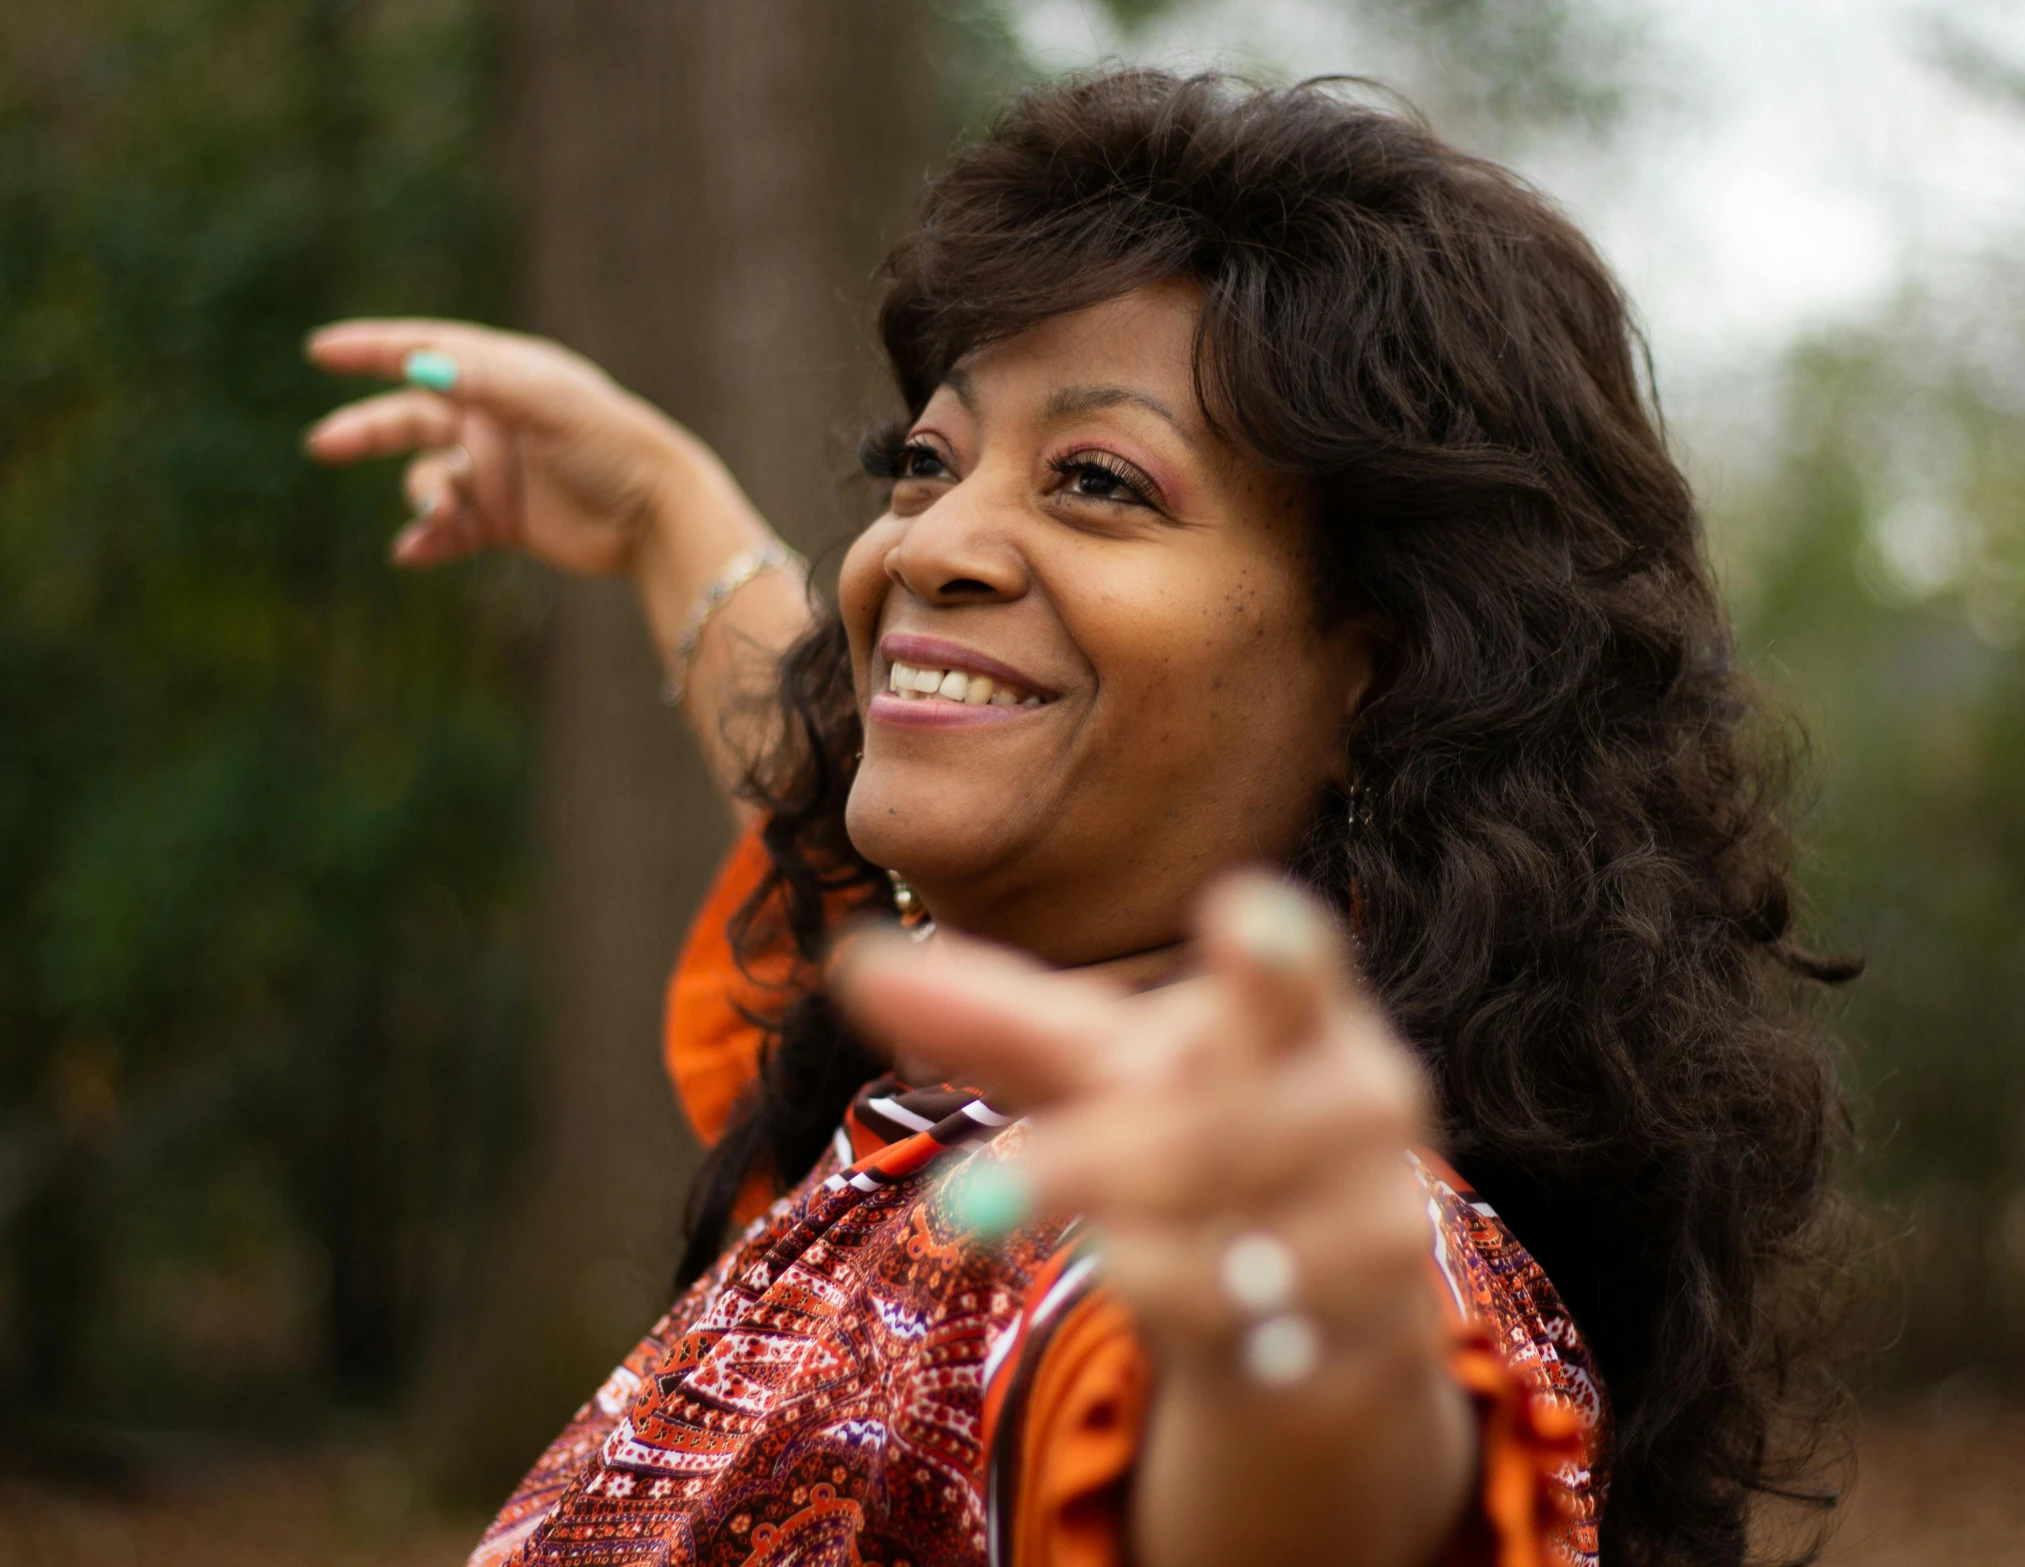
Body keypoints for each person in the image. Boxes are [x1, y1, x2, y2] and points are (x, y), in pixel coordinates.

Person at [304, 70, 1852, 1567]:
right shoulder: (938, 1102)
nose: (928, 544)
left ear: (1380, 681)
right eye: (927, 461)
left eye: (1098, 480)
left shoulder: (1225, 1244)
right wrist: (654, 505)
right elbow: (835, 822)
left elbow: (1292, 1451)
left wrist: (1317, 1437)